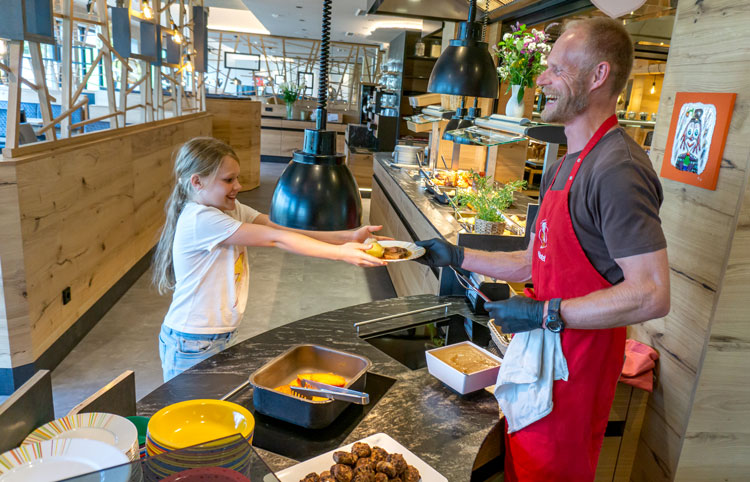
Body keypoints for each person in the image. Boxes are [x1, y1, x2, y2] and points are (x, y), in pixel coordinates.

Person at [416, 18, 670, 482]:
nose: (540, 79)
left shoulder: (618, 168)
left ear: (598, 76)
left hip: (576, 373)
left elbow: (652, 293)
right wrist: (456, 256)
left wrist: (543, 313)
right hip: (543, 362)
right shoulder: (567, 164)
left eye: (555, 69)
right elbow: (536, 259)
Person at [152, 137, 386, 381]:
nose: (238, 186)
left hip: (212, 338)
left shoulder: (228, 209)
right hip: (192, 342)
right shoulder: (201, 219)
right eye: (228, 180)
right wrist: (341, 254)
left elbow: (280, 228)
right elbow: (275, 238)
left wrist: (347, 237)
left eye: (237, 178)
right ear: (197, 181)